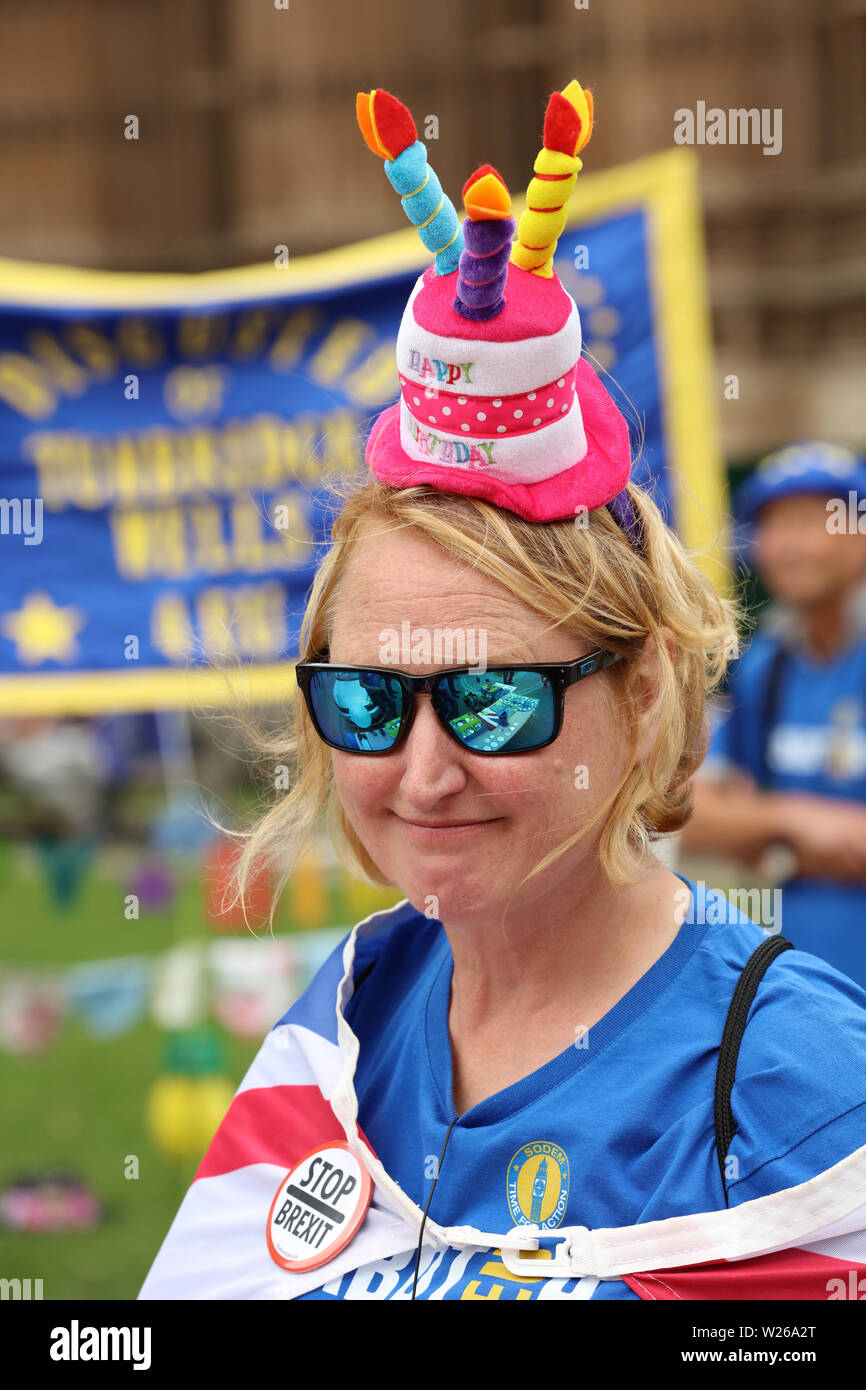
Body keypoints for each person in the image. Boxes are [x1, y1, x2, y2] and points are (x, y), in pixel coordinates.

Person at [139, 83, 866, 1303]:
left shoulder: (795, 1083)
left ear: (640, 695)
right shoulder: (347, 1023)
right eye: (368, 699)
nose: (420, 772)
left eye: (492, 702)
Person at [681, 442, 866, 988]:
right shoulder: (768, 665)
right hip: (803, 995)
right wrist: (794, 822)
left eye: (811, 522)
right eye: (773, 526)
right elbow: (685, 812)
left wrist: (765, 839)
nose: (789, 546)